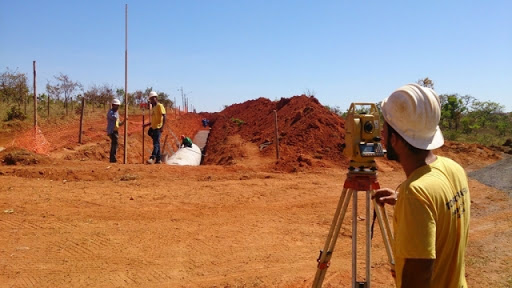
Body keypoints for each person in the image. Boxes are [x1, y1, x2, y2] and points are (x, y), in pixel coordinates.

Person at [373, 83, 470, 288]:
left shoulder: (416, 193)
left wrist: (413, 202)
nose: (380, 133)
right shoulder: (453, 168)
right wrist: (409, 204)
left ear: (396, 139)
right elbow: (440, 207)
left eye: (385, 127)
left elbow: (418, 278)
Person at [143, 91, 166, 164]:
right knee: (156, 143)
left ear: (156, 98)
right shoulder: (153, 108)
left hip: (158, 128)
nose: (152, 100)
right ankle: (158, 159)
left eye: (153, 99)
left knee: (156, 143)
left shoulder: (160, 106)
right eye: (151, 99)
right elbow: (153, 120)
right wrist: (146, 125)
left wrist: (162, 127)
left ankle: (152, 157)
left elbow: (164, 116)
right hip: (153, 127)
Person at [106, 99, 124, 163]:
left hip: (115, 131)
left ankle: (113, 158)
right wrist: (118, 116)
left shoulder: (116, 113)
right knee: (114, 143)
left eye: (118, 106)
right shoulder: (110, 112)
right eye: (116, 106)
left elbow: (119, 123)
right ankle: (112, 159)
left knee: (115, 144)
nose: (117, 107)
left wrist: (124, 121)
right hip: (112, 131)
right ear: (113, 105)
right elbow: (114, 117)